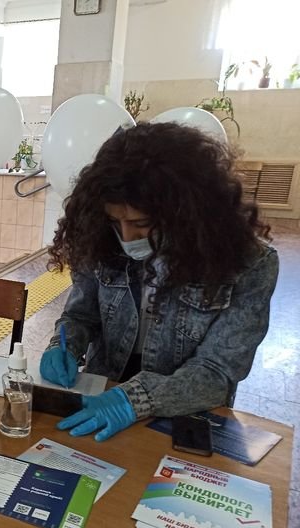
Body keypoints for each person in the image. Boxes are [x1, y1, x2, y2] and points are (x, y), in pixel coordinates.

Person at [39, 122, 278, 442]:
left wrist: (135, 399)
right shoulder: (100, 239)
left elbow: (217, 372)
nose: (127, 236)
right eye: (115, 221)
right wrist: (64, 346)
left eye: (141, 223)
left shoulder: (248, 264)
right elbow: (81, 315)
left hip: (182, 410)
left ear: (186, 212)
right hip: (100, 395)